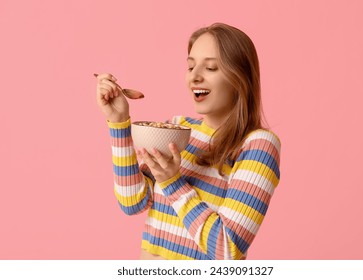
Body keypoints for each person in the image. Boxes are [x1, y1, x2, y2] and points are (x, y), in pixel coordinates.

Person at [96, 22, 281, 260]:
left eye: (211, 68)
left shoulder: (258, 145)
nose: (195, 76)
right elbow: (132, 202)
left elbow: (227, 250)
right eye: (191, 66)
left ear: (240, 78)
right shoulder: (177, 130)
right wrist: (119, 123)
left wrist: (172, 182)